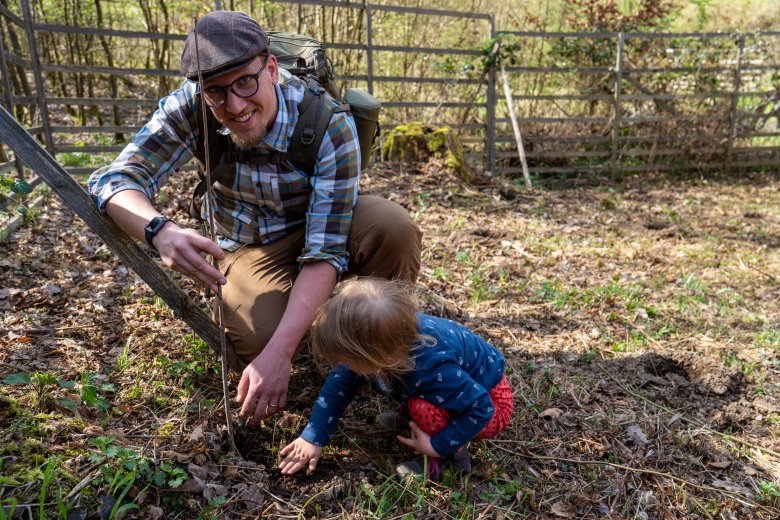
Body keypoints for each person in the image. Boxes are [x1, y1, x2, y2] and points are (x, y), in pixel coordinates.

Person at [87, 11, 422, 427]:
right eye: (216, 92)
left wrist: (281, 355)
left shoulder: (328, 122)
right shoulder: (193, 107)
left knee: (393, 227)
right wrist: (160, 231)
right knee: (253, 339)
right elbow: (114, 179)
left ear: (272, 68)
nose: (235, 105)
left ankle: (380, 339)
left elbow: (324, 252)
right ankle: (324, 325)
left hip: (321, 227)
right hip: (247, 246)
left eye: (246, 81)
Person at [278, 278, 513, 478]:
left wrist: (437, 446)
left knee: (423, 407)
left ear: (381, 356)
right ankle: (413, 419)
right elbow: (339, 384)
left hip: (491, 401)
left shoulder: (433, 368)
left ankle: (450, 461)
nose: (344, 366)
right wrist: (313, 437)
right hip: (457, 390)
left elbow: (481, 408)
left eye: (349, 361)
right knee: (414, 393)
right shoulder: (391, 338)